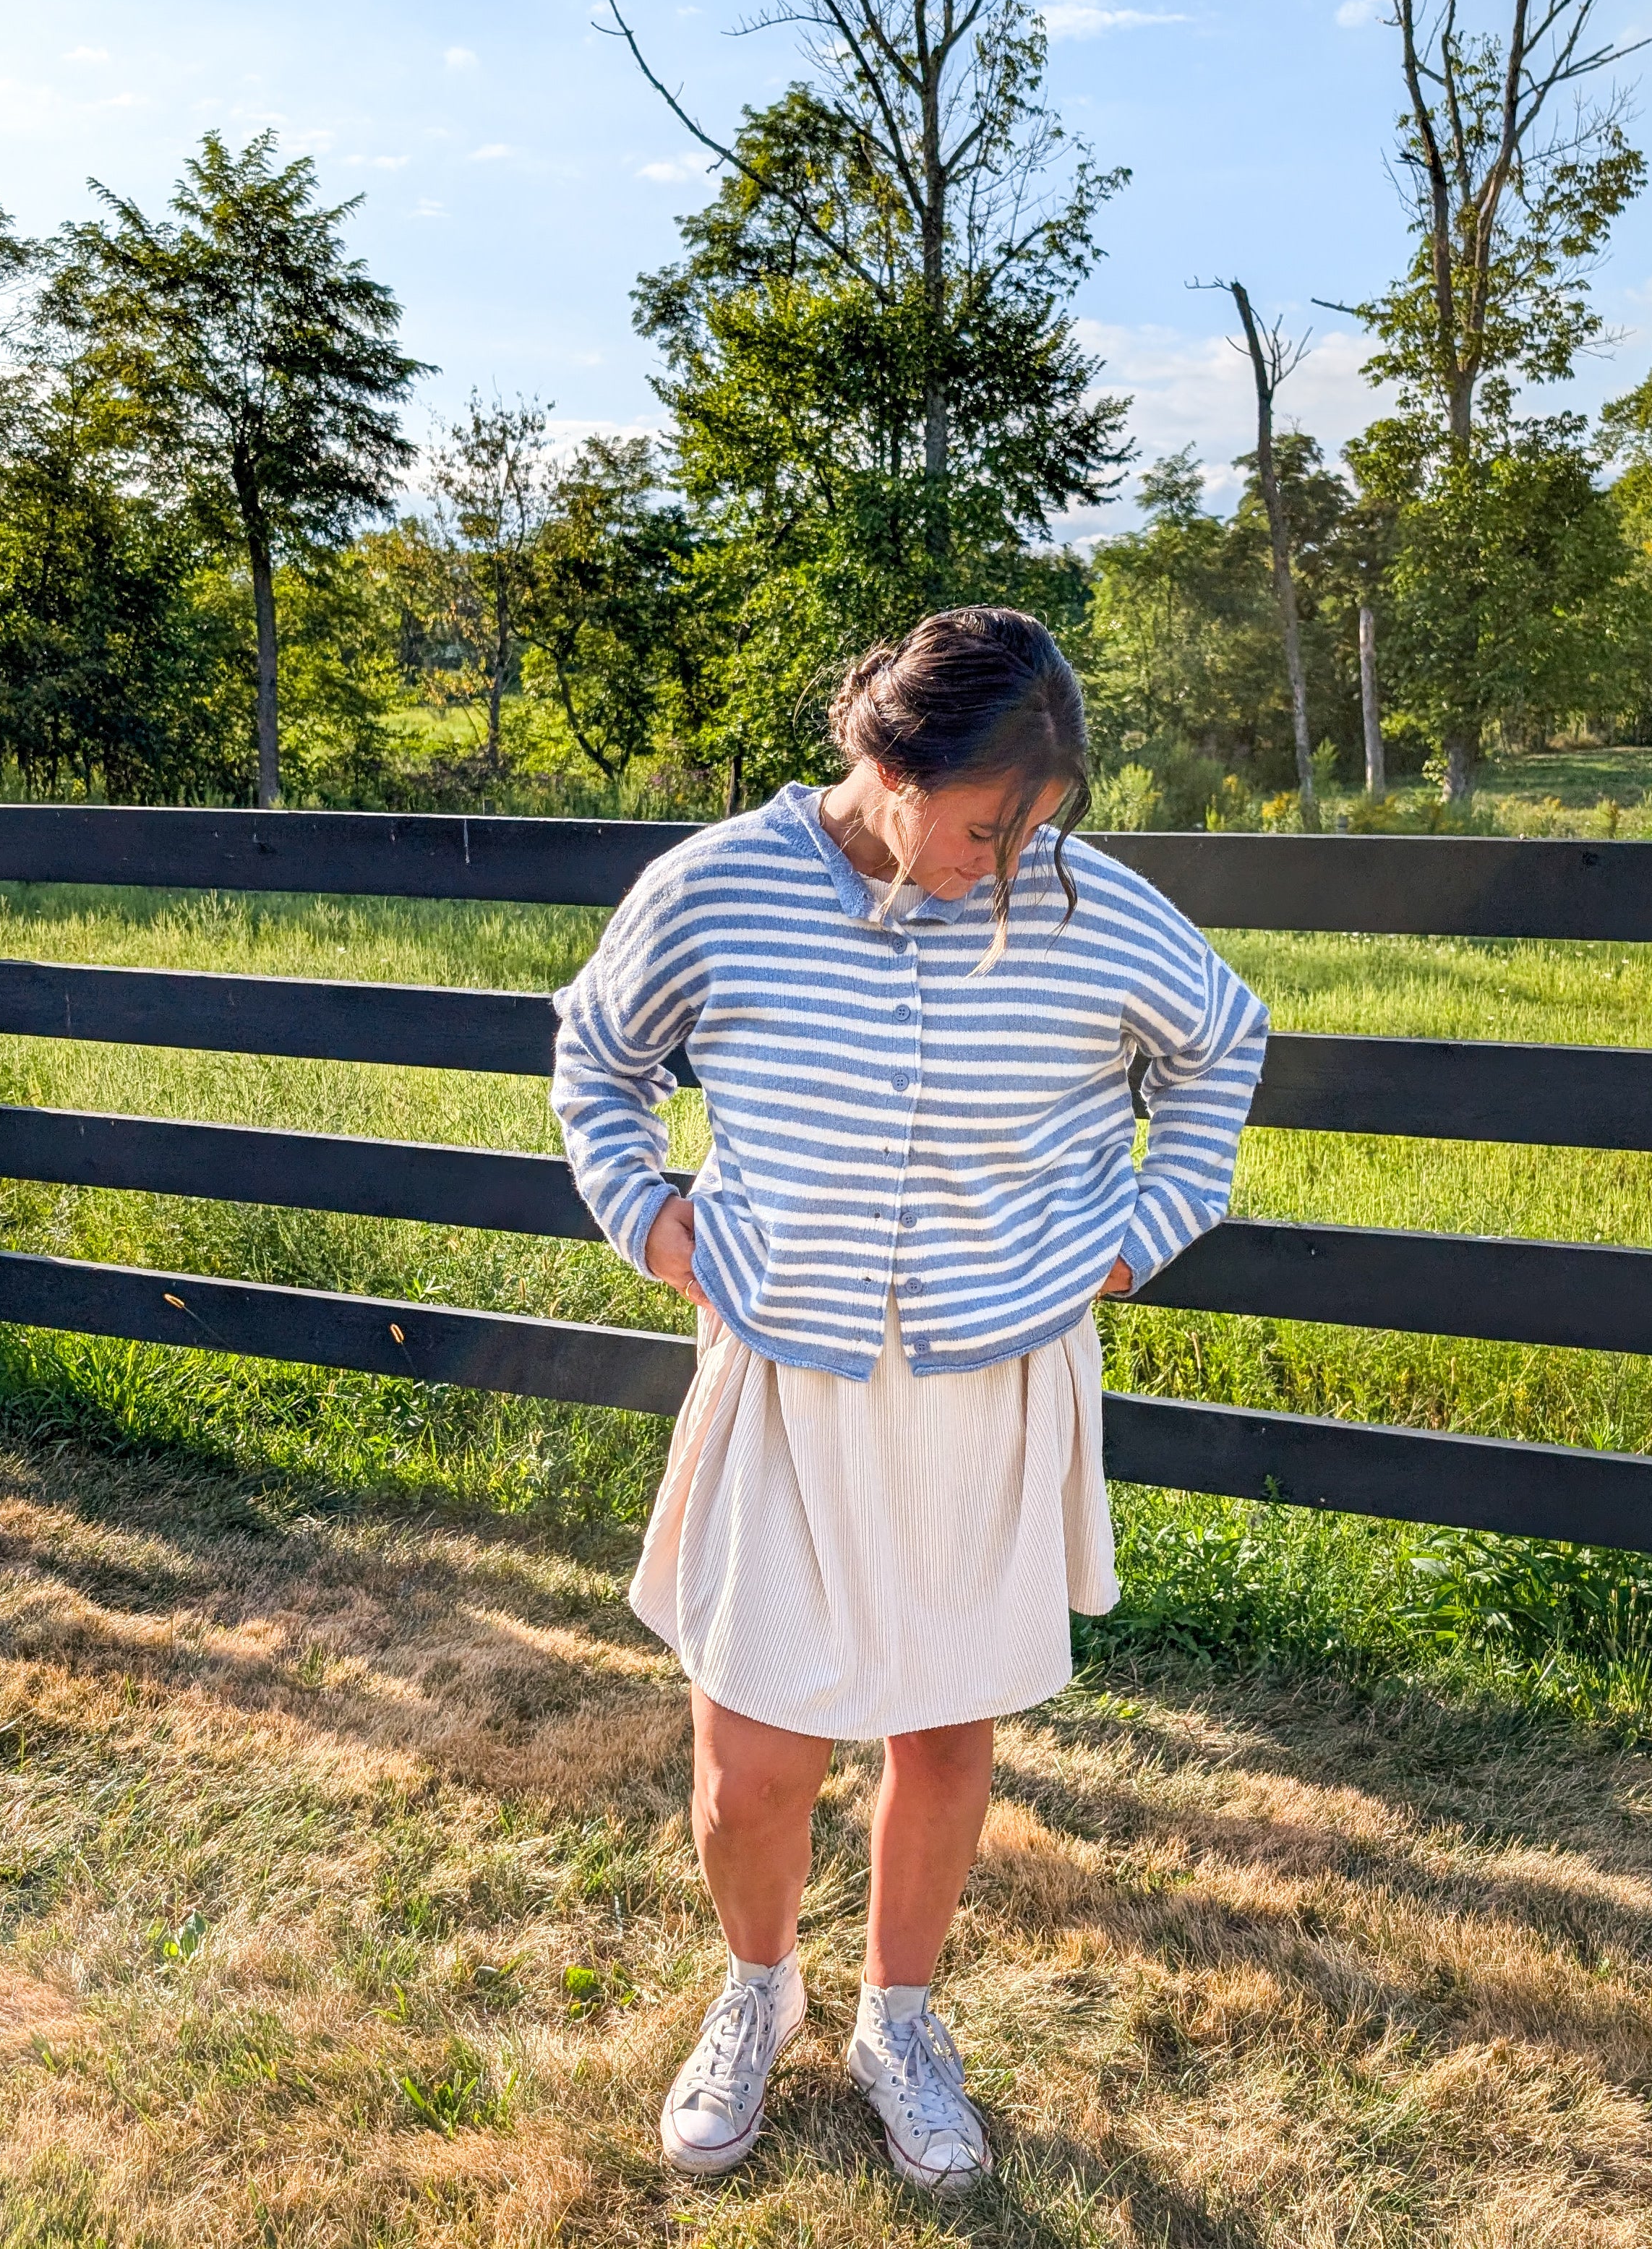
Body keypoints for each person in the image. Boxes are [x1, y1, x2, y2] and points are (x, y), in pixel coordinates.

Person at [550, 606, 1267, 2193]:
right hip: (785, 1378)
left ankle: (899, 2017)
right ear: (891, 760)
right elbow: (596, 1055)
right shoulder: (720, 887)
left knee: (945, 1734)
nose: (1012, 860)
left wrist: (1140, 1236)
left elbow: (1226, 1042)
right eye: (988, 821)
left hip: (990, 1384)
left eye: (1042, 826)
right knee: (754, 1762)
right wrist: (647, 1212)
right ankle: (758, 1991)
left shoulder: (1085, 904)